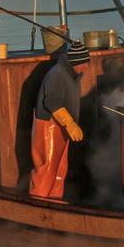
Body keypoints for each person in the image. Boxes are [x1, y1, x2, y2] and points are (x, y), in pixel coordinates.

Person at [29, 41, 90, 201]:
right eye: (85, 63)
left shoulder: (73, 74)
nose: (87, 66)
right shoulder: (58, 74)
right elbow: (52, 102)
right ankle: (38, 206)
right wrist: (69, 123)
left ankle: (54, 205)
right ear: (76, 63)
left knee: (60, 170)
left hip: (61, 127)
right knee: (46, 169)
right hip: (49, 126)